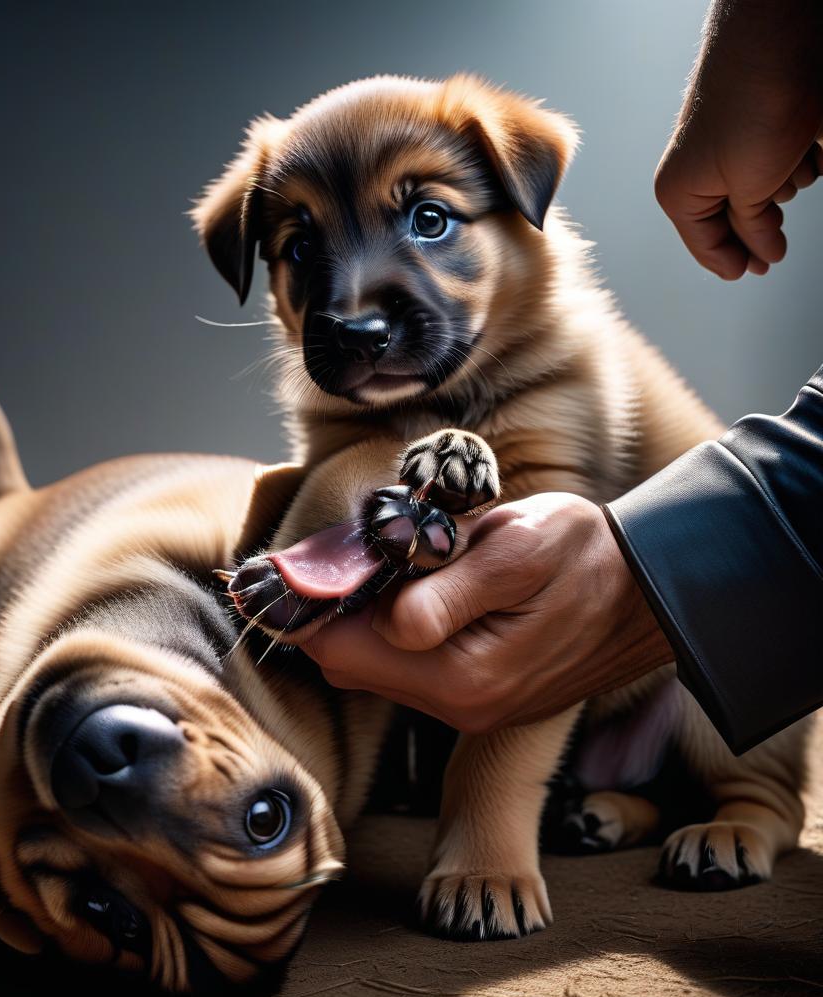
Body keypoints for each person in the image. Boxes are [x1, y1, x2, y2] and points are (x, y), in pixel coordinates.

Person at [299, 0, 823, 756]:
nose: (353, 310)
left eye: (431, 220)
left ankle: (750, 804)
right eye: (302, 247)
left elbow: (539, 586)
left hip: (677, 692)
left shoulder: (559, 366)